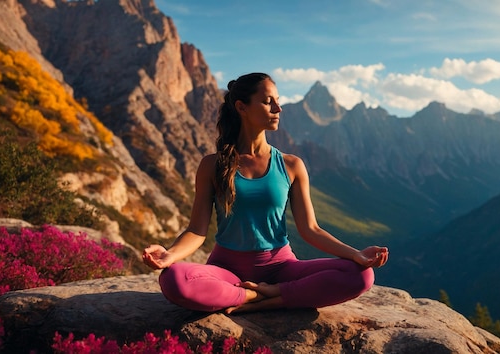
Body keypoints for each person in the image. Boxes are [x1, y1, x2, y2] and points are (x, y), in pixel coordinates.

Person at [142, 72, 388, 314]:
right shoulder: (212, 165)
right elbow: (197, 230)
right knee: (173, 278)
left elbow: (310, 229)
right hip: (227, 270)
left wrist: (356, 255)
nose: (278, 108)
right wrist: (169, 254)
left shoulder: (291, 165)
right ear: (242, 107)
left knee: (362, 275)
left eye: (277, 101)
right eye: (268, 101)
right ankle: (252, 295)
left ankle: (273, 297)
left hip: (281, 268)